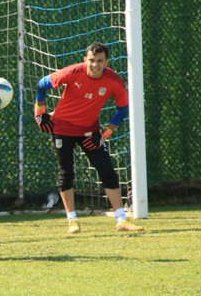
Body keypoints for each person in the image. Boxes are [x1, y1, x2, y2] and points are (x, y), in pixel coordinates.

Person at [34, 41, 144, 234]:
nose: (95, 65)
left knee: (107, 170)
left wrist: (105, 133)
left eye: (100, 61)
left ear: (106, 62)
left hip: (89, 132)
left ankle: (121, 219)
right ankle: (72, 221)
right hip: (62, 128)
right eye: (92, 60)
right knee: (66, 173)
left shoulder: (114, 82)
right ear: (85, 60)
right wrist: (40, 112)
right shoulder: (72, 72)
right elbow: (42, 84)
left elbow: (122, 109)